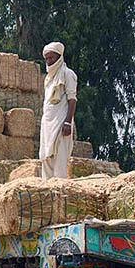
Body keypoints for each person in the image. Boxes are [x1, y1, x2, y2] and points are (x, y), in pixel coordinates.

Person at [39, 41, 78, 179]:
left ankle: (58, 194)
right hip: (48, 123)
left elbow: (72, 99)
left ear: (59, 57)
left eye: (52, 58)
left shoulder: (68, 74)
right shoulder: (48, 78)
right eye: (47, 58)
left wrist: (68, 122)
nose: (49, 61)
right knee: (46, 157)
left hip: (61, 122)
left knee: (60, 159)